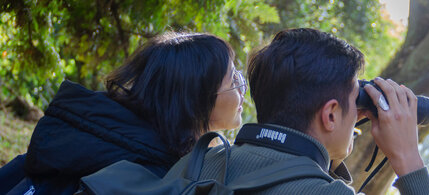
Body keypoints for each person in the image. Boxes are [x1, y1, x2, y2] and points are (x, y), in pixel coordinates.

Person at [167, 28, 429, 194]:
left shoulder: (198, 162)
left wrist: (327, 150)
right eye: (356, 100)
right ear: (330, 115)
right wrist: (408, 157)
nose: (359, 113)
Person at [0, 32, 246, 194]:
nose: (242, 86)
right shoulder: (152, 177)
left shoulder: (94, 135)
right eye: (232, 77)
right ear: (196, 99)